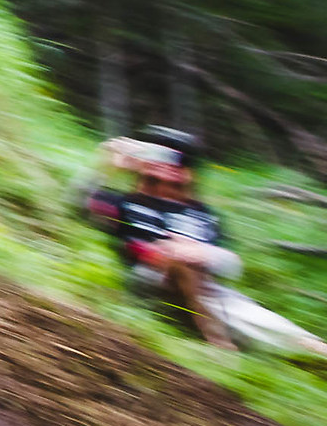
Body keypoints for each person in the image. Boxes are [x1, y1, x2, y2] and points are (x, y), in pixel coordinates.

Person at [85, 130, 327, 356]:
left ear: (188, 171)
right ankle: (219, 342)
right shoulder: (124, 202)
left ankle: (311, 349)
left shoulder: (202, 214)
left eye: (173, 159)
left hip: (208, 291)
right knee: (182, 263)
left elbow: (233, 264)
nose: (162, 163)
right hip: (151, 283)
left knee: (255, 316)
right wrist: (107, 167)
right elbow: (80, 205)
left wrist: (201, 253)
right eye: (155, 154)